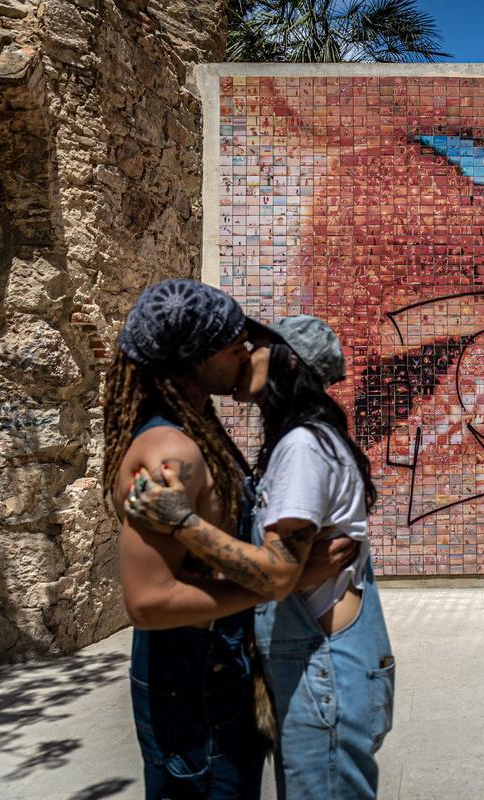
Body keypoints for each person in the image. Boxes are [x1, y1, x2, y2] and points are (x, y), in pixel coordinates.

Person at [104, 279, 356, 799]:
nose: (246, 351)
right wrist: (275, 584)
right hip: (192, 679)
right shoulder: (171, 452)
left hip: (218, 669)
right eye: (233, 342)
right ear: (195, 358)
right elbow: (148, 602)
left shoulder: (197, 428)